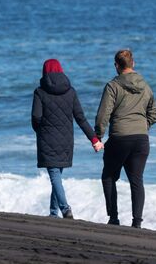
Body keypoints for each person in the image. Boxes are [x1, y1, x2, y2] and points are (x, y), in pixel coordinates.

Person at [95, 49, 156, 228]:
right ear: (133, 63)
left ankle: (114, 218)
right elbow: (154, 113)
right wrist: (143, 126)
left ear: (116, 65)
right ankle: (137, 222)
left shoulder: (112, 86)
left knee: (108, 176)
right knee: (136, 180)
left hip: (119, 138)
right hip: (141, 139)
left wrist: (98, 135)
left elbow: (103, 115)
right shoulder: (145, 86)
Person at [32, 59, 102, 219]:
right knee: (56, 176)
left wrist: (39, 131)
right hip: (66, 141)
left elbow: (36, 117)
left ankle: (65, 209)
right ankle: (53, 213)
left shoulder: (40, 92)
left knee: (55, 176)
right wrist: (94, 139)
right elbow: (81, 118)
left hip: (47, 139)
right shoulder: (71, 92)